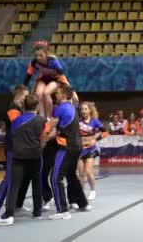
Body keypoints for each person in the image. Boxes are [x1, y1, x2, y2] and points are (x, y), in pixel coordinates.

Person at [0, 95, 49, 225]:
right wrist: (39, 146)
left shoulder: (16, 120)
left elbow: (12, 136)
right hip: (35, 156)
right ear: (37, 106)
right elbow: (43, 137)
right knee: (37, 183)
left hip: (18, 156)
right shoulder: (41, 120)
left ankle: (9, 214)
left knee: (14, 185)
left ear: (24, 106)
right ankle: (37, 212)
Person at [0, 85, 31, 221]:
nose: (27, 98)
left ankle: (14, 205)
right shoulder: (13, 108)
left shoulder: (20, 108)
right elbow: (19, 126)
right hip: (12, 147)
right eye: (25, 96)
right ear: (19, 94)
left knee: (18, 178)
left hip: (19, 147)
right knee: (9, 178)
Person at [49, 85, 90, 220]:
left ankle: (62, 210)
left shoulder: (59, 109)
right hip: (77, 146)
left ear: (66, 96)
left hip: (67, 147)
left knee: (55, 178)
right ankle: (82, 203)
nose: (56, 95)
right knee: (71, 174)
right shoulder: (73, 106)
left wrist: (41, 141)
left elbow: (50, 128)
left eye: (58, 93)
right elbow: (74, 95)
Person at [23, 40, 77, 118]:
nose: (38, 57)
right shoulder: (34, 62)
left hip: (55, 79)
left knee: (46, 93)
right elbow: (28, 76)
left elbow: (60, 72)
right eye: (36, 55)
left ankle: (49, 116)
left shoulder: (52, 60)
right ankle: (42, 116)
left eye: (41, 55)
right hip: (44, 78)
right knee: (38, 93)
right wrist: (23, 87)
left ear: (46, 54)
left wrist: (70, 88)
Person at [77, 102, 106, 201]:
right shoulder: (78, 122)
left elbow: (105, 132)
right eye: (82, 109)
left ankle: (93, 190)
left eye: (85, 109)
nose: (83, 111)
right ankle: (81, 194)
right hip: (80, 150)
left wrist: (95, 140)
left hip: (91, 150)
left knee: (89, 172)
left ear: (89, 110)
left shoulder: (95, 122)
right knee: (80, 174)